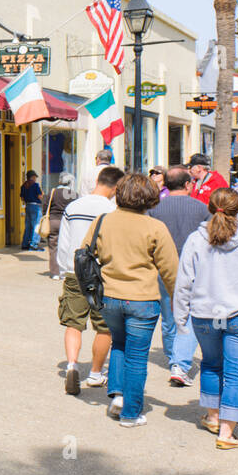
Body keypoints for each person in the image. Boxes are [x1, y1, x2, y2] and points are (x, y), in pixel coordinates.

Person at [174, 187, 238, 448]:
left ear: (210, 207)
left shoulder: (196, 239)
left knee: (211, 364)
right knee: (237, 374)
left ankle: (213, 416)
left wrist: (180, 316)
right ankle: (227, 433)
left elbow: (184, 281)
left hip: (206, 315)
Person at [83, 173, 179, 427]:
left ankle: (117, 395)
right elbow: (170, 270)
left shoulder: (102, 222)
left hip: (109, 297)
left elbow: (84, 253)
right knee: (137, 356)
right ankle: (131, 413)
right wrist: (178, 300)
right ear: (149, 198)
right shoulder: (155, 227)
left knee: (118, 344)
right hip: (143, 299)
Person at [56, 166, 123, 395]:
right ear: (115, 187)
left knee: (73, 323)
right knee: (104, 327)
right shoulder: (113, 210)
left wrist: (64, 268)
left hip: (75, 271)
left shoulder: (73, 206)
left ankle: (72, 365)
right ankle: (95, 373)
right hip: (101, 274)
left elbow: (64, 244)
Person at [148, 166, 208, 387]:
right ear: (187, 184)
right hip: (196, 268)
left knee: (168, 314)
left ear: (165, 185)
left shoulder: (155, 209)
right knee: (190, 315)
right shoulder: (202, 208)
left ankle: (173, 357)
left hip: (164, 269)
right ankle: (180, 362)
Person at [46, 173, 76, 278]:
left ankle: (55, 273)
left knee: (53, 247)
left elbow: (45, 205)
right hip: (68, 223)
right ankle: (65, 271)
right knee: (66, 246)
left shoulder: (53, 192)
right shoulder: (74, 194)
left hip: (54, 221)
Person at [20, 170, 43, 251]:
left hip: (28, 206)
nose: (35, 178)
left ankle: (25, 244)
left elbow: (22, 198)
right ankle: (34, 244)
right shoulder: (35, 185)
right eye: (35, 177)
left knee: (28, 226)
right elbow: (40, 196)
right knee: (36, 225)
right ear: (33, 177)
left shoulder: (23, 185)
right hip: (36, 206)